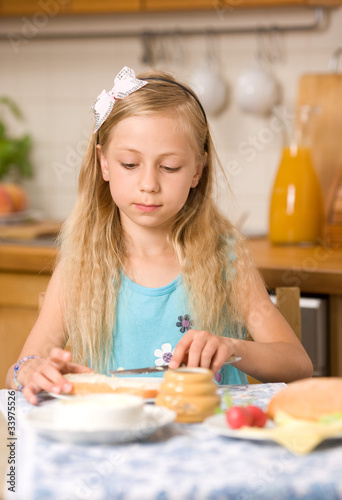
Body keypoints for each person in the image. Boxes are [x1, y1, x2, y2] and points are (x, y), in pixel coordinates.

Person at [6, 66, 313, 404]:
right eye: (129, 164)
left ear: (197, 170)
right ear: (104, 163)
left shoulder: (224, 258)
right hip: (118, 443)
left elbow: (297, 365)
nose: (149, 184)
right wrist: (31, 370)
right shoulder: (81, 264)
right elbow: (19, 369)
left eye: (169, 167)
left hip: (207, 440)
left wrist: (232, 347)